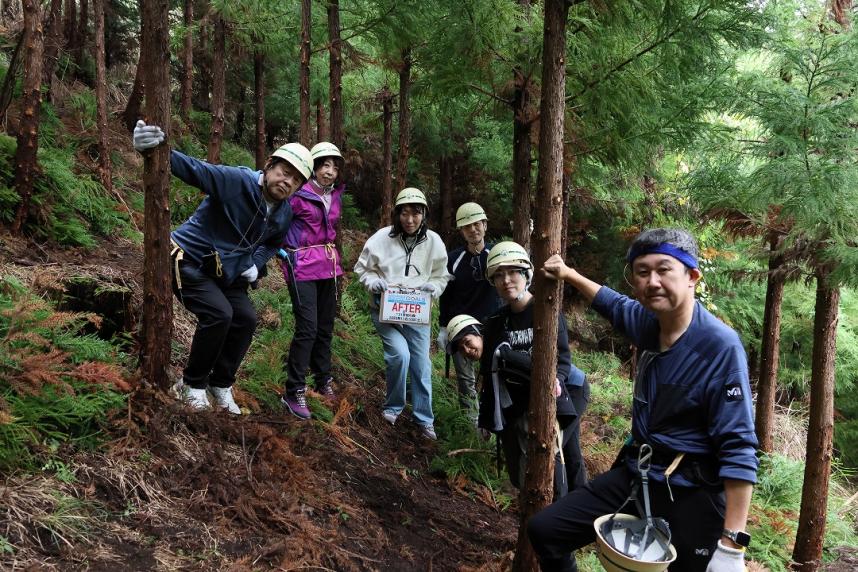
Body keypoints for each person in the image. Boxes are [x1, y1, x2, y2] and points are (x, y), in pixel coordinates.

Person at [528, 228, 759, 572]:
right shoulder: (649, 323)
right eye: (642, 272)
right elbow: (612, 303)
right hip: (640, 473)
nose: (652, 281)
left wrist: (732, 547)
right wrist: (568, 274)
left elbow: (738, 448)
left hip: (692, 491)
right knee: (545, 530)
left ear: (692, 276)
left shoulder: (719, 347)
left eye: (664, 269)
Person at [132, 121, 312, 414]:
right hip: (188, 257)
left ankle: (221, 384)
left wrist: (255, 264)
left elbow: (272, 242)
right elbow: (194, 169)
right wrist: (151, 148)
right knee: (219, 314)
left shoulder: (284, 212)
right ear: (269, 166)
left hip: (226, 272)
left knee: (245, 319)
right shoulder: (236, 181)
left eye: (295, 181)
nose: (287, 182)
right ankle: (191, 385)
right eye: (284, 172)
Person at [476, 241, 589, 498]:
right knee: (523, 467)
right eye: (499, 275)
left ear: (526, 274)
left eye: (512, 272)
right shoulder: (495, 322)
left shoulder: (546, 311)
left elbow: (562, 359)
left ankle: (565, 514)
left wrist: (556, 381)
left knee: (553, 453)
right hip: (522, 397)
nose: (506, 280)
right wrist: (485, 416)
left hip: (569, 388)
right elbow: (489, 371)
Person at [353, 188, 452, 440]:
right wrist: (372, 282)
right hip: (385, 311)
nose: (410, 219)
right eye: (404, 213)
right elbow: (362, 268)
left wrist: (435, 287)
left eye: (415, 213)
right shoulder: (381, 238)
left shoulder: (434, 242)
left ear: (424, 214)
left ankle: (424, 418)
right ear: (396, 214)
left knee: (421, 365)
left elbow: (441, 275)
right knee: (400, 356)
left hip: (416, 314)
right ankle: (393, 406)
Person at [279, 142, 346, 420]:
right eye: (325, 165)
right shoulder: (298, 194)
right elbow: (277, 223)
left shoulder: (335, 196)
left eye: (334, 167)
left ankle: (323, 379)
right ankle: (294, 389)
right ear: (314, 167)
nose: (330, 172)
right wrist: (282, 253)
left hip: (329, 268)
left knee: (325, 327)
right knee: (307, 327)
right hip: (302, 265)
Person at [437, 202, 501, 420]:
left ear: (484, 225)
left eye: (477, 224)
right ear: (462, 231)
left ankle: (491, 424)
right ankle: (471, 426)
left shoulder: (496, 254)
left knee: (493, 377)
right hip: (461, 328)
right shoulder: (454, 259)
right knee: (466, 381)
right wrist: (443, 326)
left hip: (492, 327)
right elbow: (446, 294)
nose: (473, 230)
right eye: (467, 227)